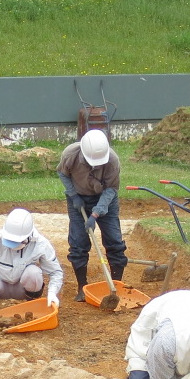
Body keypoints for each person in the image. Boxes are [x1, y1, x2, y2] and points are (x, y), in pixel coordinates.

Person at [59, 128, 126, 301]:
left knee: (115, 241)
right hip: (78, 199)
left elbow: (111, 189)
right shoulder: (70, 154)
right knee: (78, 243)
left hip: (105, 199)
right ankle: (82, 287)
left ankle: (116, 286)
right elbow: (63, 174)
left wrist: (95, 214)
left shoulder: (112, 160)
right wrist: (73, 195)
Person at [0, 208, 64, 315]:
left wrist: (52, 293)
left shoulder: (41, 244)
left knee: (34, 273)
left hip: (22, 288)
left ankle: (31, 307)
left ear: (28, 238)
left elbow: (55, 272)